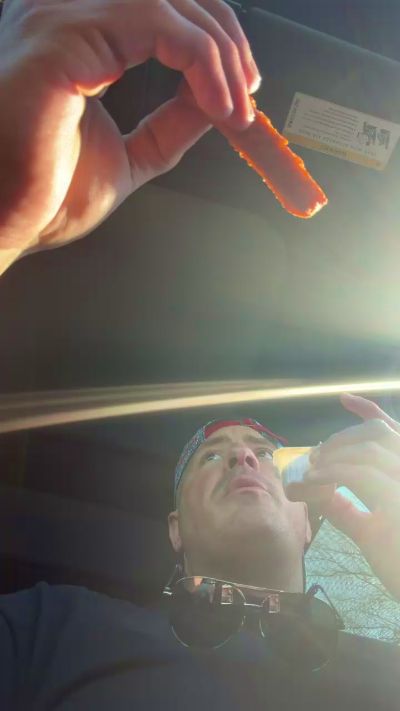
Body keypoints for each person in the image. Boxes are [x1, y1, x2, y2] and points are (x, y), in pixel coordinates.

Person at [0, 0, 400, 708]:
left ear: (310, 521)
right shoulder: (53, 629)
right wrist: (6, 218)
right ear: (175, 530)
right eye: (211, 456)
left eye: (263, 453)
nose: (243, 457)